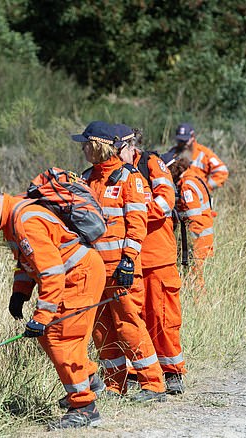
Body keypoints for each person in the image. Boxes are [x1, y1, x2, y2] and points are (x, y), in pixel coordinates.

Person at [0, 180, 106, 429]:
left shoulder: (25, 221)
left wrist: (41, 316)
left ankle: (84, 407)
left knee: (62, 338)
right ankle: (89, 380)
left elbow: (52, 273)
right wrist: (20, 292)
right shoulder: (12, 220)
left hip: (79, 276)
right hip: (73, 275)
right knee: (51, 336)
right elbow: (27, 263)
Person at [71, 120, 167, 402]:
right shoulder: (87, 178)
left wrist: (128, 261)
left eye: (86, 144)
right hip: (94, 269)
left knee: (129, 324)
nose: (83, 149)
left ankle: (153, 384)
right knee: (101, 329)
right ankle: (115, 385)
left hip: (121, 269)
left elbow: (137, 225)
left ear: (99, 145)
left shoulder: (130, 178)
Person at [114, 124, 186, 395]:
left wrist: (134, 215)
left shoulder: (151, 164)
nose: (113, 153)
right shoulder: (112, 172)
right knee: (134, 318)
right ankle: (139, 372)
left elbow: (166, 202)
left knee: (162, 317)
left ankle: (172, 372)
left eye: (117, 148)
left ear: (130, 146)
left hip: (157, 257)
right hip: (129, 259)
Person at [168, 153, 215, 298]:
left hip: (197, 239)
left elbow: (193, 217)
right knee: (197, 275)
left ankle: (199, 305)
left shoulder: (186, 185)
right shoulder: (194, 177)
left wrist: (189, 246)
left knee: (195, 276)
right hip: (204, 237)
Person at [163, 123, 229, 191]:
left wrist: (206, 188)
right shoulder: (172, 153)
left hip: (199, 197)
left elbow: (222, 171)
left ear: (192, 137)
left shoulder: (204, 153)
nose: (183, 143)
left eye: (185, 140)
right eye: (180, 141)